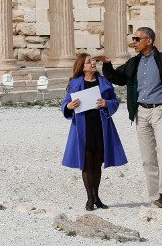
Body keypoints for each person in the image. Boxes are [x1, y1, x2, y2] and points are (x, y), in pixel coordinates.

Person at [101, 27, 162, 209]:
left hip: (160, 112)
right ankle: (155, 197)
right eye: (133, 38)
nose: (134, 42)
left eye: (137, 38)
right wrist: (107, 65)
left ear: (149, 41)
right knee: (147, 158)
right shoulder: (133, 63)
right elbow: (119, 78)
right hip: (141, 113)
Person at [62, 53, 127, 210]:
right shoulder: (75, 83)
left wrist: (106, 103)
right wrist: (69, 106)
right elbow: (65, 103)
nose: (93, 63)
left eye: (92, 61)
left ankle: (97, 196)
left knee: (97, 164)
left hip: (100, 126)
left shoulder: (103, 81)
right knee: (86, 163)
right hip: (82, 128)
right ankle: (89, 198)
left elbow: (114, 101)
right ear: (82, 67)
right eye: (88, 62)